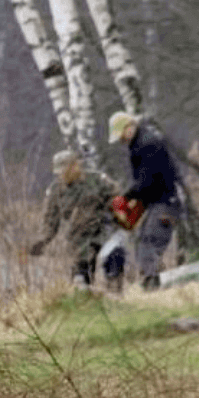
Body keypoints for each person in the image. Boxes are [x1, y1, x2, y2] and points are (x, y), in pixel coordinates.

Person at [29, 149, 126, 291]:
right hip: (80, 238)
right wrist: (42, 241)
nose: (62, 175)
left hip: (105, 230)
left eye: (65, 170)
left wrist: (118, 218)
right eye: (59, 172)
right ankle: (85, 302)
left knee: (114, 259)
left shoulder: (97, 180)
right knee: (81, 279)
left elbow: (117, 198)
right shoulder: (56, 190)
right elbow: (50, 219)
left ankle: (116, 299)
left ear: (75, 166)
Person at [108, 111, 182, 291]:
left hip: (165, 203)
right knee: (145, 242)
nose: (121, 141)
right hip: (161, 201)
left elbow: (147, 182)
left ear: (129, 127)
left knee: (148, 245)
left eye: (121, 135)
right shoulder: (145, 140)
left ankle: (152, 289)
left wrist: (126, 198)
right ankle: (159, 285)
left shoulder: (146, 144)